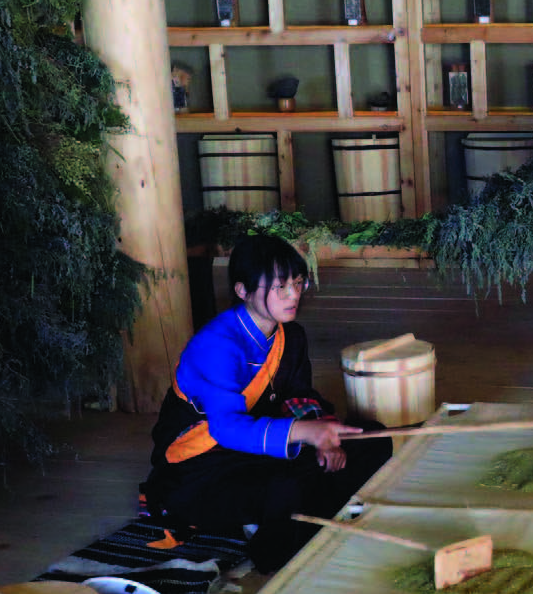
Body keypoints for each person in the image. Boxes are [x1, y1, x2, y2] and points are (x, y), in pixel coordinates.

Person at [141, 234, 392, 573]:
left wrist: (324, 439)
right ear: (242, 290)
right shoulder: (216, 346)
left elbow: (299, 397)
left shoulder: (291, 336)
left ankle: (298, 516)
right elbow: (228, 429)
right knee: (287, 488)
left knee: (373, 437)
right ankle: (278, 543)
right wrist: (307, 433)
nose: (293, 295)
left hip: (261, 449)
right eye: (280, 287)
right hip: (202, 467)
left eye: (298, 283)